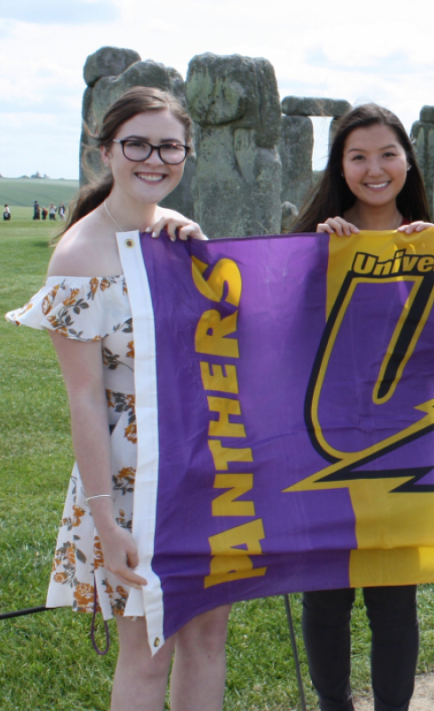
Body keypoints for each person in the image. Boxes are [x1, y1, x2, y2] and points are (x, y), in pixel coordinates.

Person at [4, 86, 229, 711]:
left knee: (208, 634)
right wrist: (105, 519)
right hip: (131, 475)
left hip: (204, 462)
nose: (153, 158)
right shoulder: (79, 255)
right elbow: (84, 399)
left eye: (169, 146)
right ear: (106, 151)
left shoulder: (180, 239)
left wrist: (201, 250)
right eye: (137, 144)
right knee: (148, 649)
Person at [292, 103, 433, 711]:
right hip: (321, 440)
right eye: (358, 157)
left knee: (394, 598)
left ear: (407, 160)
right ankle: (334, 706)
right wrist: (314, 262)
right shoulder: (313, 241)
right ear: (340, 165)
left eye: (387, 154)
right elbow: (280, 334)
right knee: (326, 595)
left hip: (404, 442)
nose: (374, 169)